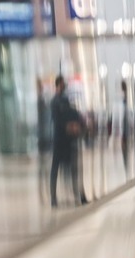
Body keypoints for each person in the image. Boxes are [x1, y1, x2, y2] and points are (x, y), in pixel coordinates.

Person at [50, 75, 86, 208]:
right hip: (59, 140)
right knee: (56, 169)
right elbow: (58, 120)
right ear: (58, 85)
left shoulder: (64, 101)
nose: (64, 86)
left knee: (72, 170)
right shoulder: (55, 102)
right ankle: (53, 198)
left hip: (67, 141)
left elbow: (72, 114)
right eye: (62, 84)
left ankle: (78, 195)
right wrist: (69, 126)